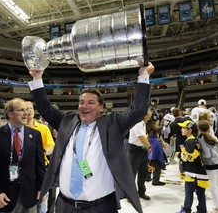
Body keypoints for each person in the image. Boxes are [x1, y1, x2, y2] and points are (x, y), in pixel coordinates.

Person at [27, 60, 154, 213]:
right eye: (81, 102)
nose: (84, 106)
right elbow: (44, 108)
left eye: (91, 102)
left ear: (101, 106)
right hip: (65, 206)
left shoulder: (112, 124)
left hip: (100, 207)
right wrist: (37, 78)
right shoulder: (66, 121)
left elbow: (138, 110)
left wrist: (143, 75)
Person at [0, 98, 46, 213]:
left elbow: (40, 164)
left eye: (27, 110)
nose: (26, 113)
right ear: (10, 113)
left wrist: (41, 188)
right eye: (21, 110)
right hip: (4, 196)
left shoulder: (35, 134)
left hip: (29, 195)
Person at [25, 101, 55, 213]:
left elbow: (51, 147)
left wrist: (40, 152)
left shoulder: (43, 128)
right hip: (24, 171)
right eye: (25, 109)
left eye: (30, 109)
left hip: (41, 169)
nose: (28, 111)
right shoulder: (18, 128)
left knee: (42, 202)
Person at [177, 120, 209, 213]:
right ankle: (202, 210)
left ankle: (186, 210)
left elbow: (189, 157)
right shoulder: (195, 140)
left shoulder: (190, 141)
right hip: (200, 172)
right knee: (200, 193)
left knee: (189, 193)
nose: (181, 129)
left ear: (189, 130)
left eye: (183, 128)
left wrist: (180, 155)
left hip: (192, 174)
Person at [198, 120, 218, 213]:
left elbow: (207, 154)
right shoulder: (214, 136)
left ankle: (217, 208)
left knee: (213, 187)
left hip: (211, 165)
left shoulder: (202, 138)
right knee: (216, 185)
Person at [128, 108, 152, 200]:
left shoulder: (143, 123)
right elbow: (141, 137)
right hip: (135, 149)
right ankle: (130, 196)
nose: (150, 118)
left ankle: (141, 192)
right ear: (145, 115)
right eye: (149, 115)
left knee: (143, 172)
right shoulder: (138, 123)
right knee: (132, 173)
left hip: (142, 149)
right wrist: (149, 147)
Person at [146, 109, 166, 186]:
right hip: (153, 141)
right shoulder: (151, 123)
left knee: (150, 160)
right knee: (157, 160)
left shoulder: (145, 123)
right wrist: (161, 122)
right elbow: (157, 129)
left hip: (150, 140)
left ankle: (148, 177)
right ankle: (155, 180)